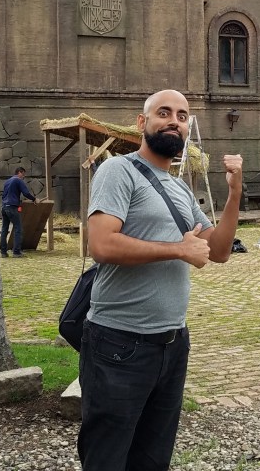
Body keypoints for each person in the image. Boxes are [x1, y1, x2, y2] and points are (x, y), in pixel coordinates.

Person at [78, 89, 242, 470]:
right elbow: (101, 244)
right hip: (118, 343)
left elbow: (217, 251)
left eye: (182, 116)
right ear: (142, 123)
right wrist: (177, 250)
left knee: (152, 458)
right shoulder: (117, 170)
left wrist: (233, 195)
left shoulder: (180, 188)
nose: (174, 120)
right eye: (163, 113)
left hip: (171, 344)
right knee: (107, 457)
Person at [0, 166, 37, 257]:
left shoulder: (7, 181)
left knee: (4, 229)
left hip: (4, 207)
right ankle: (16, 252)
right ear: (20, 172)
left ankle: (3, 252)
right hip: (12, 207)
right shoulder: (18, 180)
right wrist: (34, 199)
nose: (23, 177)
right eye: (23, 174)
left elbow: (5, 195)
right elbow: (26, 193)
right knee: (18, 229)